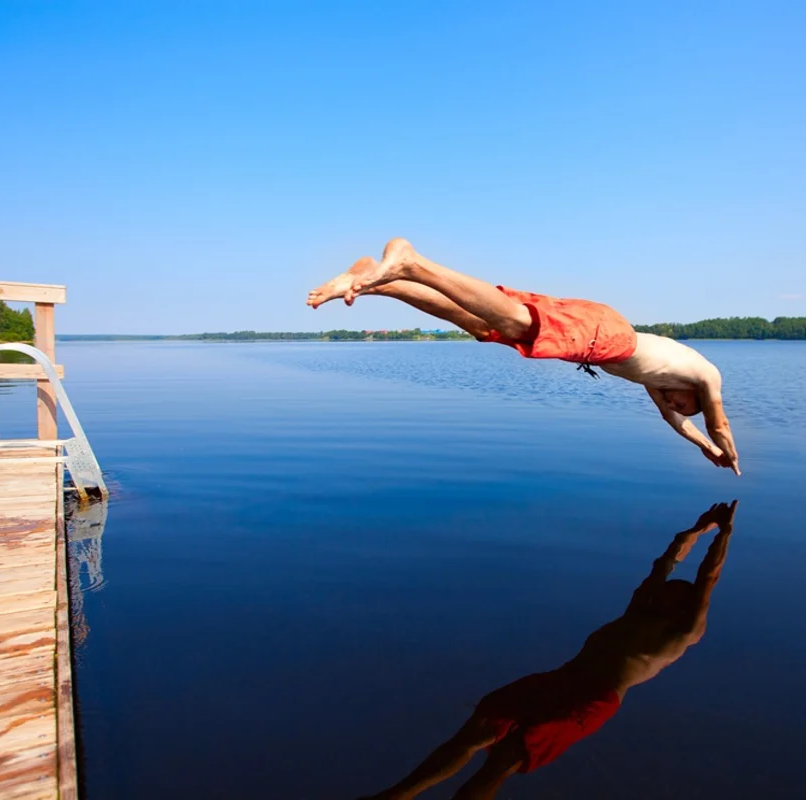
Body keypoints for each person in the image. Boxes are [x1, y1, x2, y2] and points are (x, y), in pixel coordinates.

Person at [359, 500, 738, 800]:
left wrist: (724, 534)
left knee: (503, 761)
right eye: (664, 590)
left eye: (670, 593)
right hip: (563, 676)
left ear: (680, 605)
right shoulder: (641, 608)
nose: (662, 592)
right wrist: (696, 529)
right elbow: (664, 564)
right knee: (477, 731)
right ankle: (396, 796)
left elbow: (708, 577)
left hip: (592, 700)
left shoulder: (685, 630)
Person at [308, 239, 740, 475]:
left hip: (600, 333)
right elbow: (717, 420)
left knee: (483, 327)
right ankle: (412, 262)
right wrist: (727, 454)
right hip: (605, 335)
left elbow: (673, 422)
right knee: (515, 322)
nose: (676, 407)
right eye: (685, 405)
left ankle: (378, 281)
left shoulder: (658, 378)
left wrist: (701, 447)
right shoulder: (705, 376)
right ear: (691, 393)